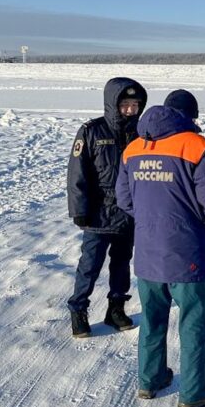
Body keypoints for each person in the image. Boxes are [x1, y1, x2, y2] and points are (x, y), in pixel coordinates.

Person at [115, 89, 205, 407]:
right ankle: (193, 393)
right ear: (190, 117)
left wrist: (153, 220)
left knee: (152, 319)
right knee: (193, 322)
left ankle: (149, 380)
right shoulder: (198, 147)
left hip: (148, 253)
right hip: (188, 254)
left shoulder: (133, 148)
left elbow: (125, 200)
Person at [66, 77, 147, 338]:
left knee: (122, 264)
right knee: (89, 265)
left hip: (128, 214)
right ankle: (78, 309)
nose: (130, 110)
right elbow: (77, 174)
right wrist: (79, 209)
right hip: (98, 215)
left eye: (135, 105)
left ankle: (116, 308)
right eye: (125, 105)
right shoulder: (91, 131)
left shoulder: (142, 134)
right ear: (113, 104)